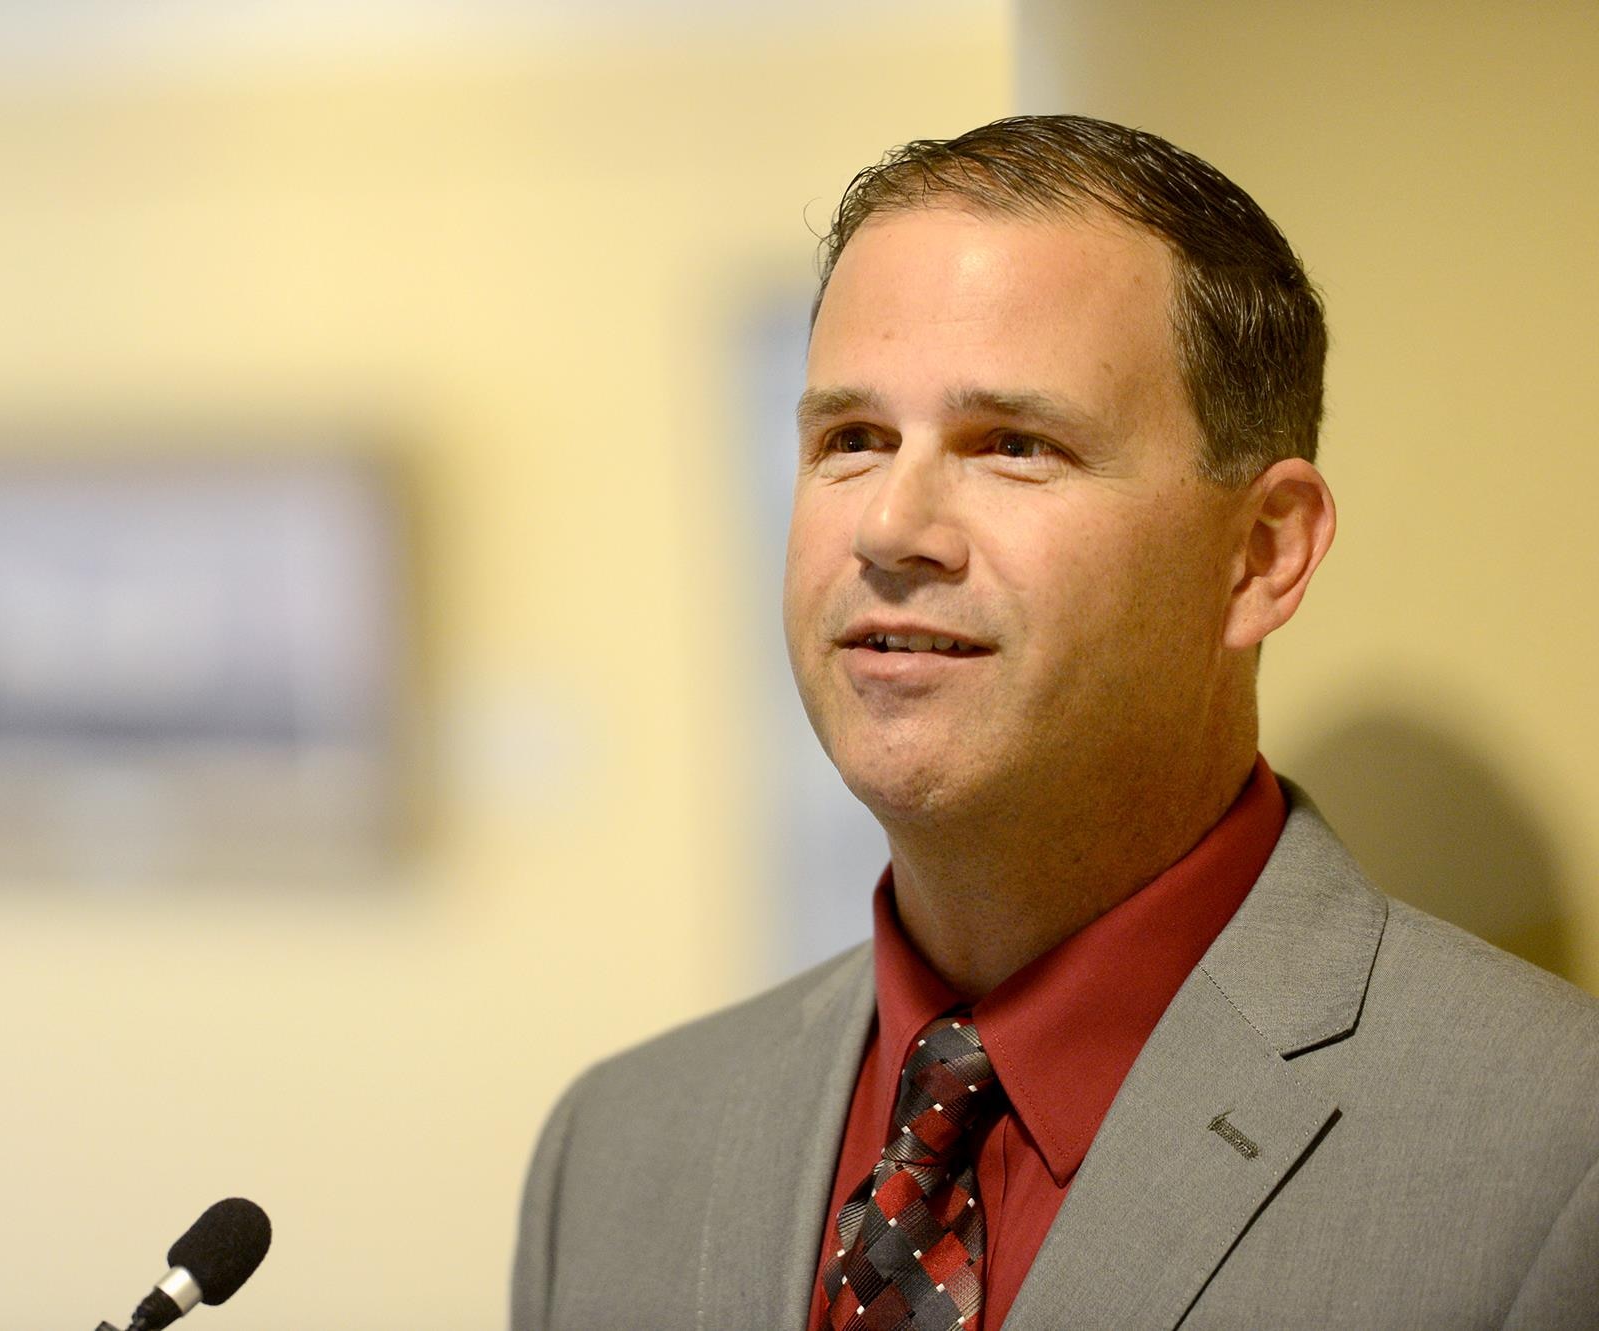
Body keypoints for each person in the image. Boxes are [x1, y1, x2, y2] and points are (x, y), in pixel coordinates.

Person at [509, 116, 1599, 1331]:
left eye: (1012, 444)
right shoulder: (611, 1152)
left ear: (1259, 554)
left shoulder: (1554, 1161)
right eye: (850, 440)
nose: (887, 526)